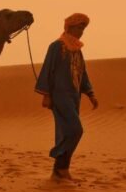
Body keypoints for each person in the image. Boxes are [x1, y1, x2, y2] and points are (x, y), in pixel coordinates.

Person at [35, 13, 99, 181]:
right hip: (59, 96)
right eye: (79, 27)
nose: (81, 31)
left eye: (83, 28)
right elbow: (48, 70)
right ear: (69, 27)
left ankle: (61, 170)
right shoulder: (57, 47)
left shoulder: (76, 49)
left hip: (73, 96)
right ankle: (58, 157)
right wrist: (46, 95)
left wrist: (90, 93)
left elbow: (82, 72)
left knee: (65, 132)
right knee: (75, 130)